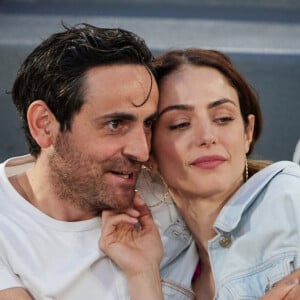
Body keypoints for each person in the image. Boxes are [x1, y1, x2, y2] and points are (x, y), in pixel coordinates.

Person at [0, 23, 195, 300]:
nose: (142, 152)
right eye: (115, 124)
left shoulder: (172, 188)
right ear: (44, 125)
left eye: (148, 123)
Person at [100, 48, 300, 299]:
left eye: (223, 118)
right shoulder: (164, 267)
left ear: (247, 132)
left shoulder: (290, 198)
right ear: (149, 151)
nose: (207, 137)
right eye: (181, 124)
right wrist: (144, 275)